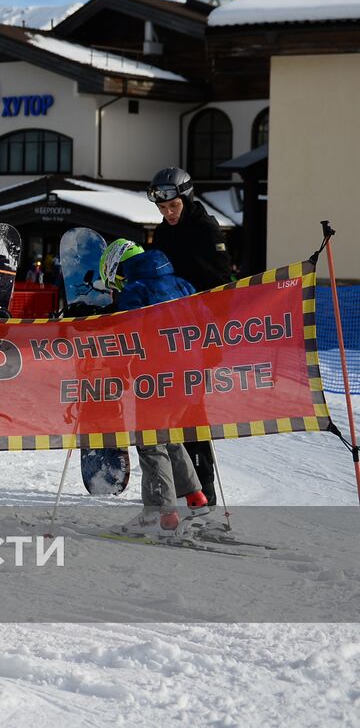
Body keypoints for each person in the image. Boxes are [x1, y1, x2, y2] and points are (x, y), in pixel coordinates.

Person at [99, 238, 211, 534]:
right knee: (168, 435)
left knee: (150, 441)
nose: (119, 286)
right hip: (191, 377)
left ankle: (160, 514)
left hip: (157, 379)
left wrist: (116, 371)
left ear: (119, 269)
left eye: (116, 280)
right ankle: (195, 496)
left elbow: (127, 337)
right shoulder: (182, 284)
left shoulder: (137, 290)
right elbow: (206, 321)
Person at [147, 166, 232, 505]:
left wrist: (207, 333)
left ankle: (203, 489)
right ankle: (178, 486)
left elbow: (221, 285)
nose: (168, 213)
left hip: (198, 336)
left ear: (186, 198)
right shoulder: (163, 232)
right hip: (168, 336)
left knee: (191, 411)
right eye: (163, 208)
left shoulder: (205, 229)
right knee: (166, 412)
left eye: (173, 206)